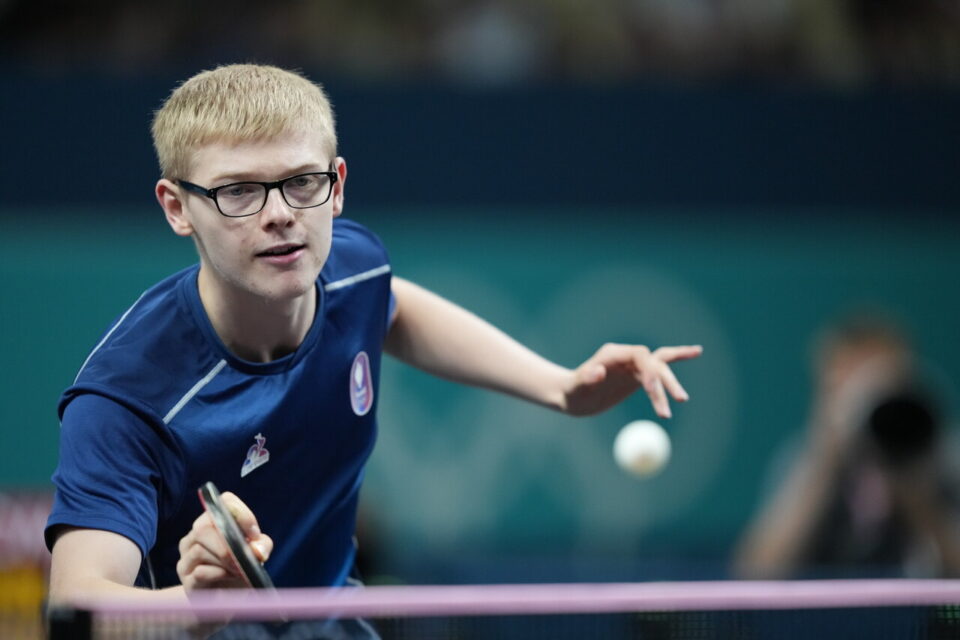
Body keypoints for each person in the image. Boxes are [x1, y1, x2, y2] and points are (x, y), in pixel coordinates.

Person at [44, 64, 702, 605]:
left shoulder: (350, 268)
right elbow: (75, 604)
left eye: (302, 182)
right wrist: (195, 604)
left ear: (336, 188)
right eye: (239, 192)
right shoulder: (125, 400)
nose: (280, 217)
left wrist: (562, 387)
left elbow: (391, 303)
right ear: (176, 207)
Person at [734, 316, 960, 579]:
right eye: (851, 384)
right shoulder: (803, 459)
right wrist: (823, 465)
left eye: (880, 380)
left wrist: (916, 493)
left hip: (925, 619)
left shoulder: (943, 457)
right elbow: (754, 573)